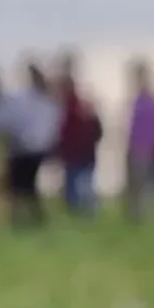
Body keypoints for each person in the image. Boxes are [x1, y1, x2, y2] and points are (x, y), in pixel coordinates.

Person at [0, 60, 59, 229]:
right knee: (26, 187)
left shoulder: (30, 100)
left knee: (19, 187)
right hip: (31, 150)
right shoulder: (44, 101)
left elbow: (4, 121)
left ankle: (25, 220)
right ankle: (32, 219)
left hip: (23, 150)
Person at [53, 49, 102, 216]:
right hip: (77, 152)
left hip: (79, 152)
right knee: (76, 186)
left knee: (78, 187)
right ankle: (82, 215)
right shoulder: (75, 105)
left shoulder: (74, 106)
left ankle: (84, 215)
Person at [123, 58, 154, 223]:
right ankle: (134, 219)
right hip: (134, 148)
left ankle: (145, 219)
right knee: (132, 187)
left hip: (144, 149)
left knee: (142, 187)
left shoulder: (152, 102)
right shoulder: (137, 101)